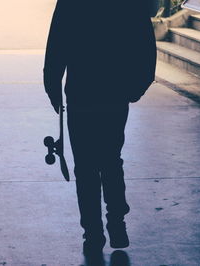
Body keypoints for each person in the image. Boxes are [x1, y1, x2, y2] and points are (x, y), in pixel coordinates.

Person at [43, 0, 157, 256]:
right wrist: (137, 86)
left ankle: (93, 234)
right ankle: (117, 224)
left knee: (85, 167)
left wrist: (52, 84)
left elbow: (57, 41)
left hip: (81, 92)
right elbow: (144, 42)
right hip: (114, 93)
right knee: (111, 160)